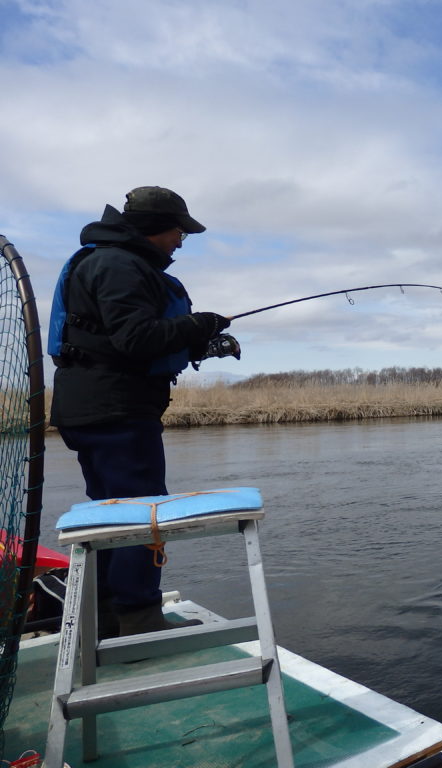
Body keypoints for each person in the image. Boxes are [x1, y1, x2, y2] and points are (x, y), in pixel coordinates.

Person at [49, 186, 234, 636]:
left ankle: (108, 618)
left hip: (97, 405)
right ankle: (139, 620)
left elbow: (118, 340)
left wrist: (196, 342)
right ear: (154, 229)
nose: (181, 240)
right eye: (178, 230)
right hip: (116, 411)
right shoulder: (118, 264)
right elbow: (137, 338)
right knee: (142, 514)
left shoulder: (108, 260)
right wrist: (199, 323)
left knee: (112, 511)